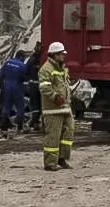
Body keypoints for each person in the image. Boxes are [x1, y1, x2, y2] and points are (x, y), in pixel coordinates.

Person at [38, 41, 74, 172]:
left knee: (68, 132)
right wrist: (55, 97)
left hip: (65, 107)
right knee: (53, 136)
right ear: (53, 55)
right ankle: (50, 163)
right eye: (61, 54)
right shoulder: (46, 69)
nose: (63, 56)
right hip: (52, 109)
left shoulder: (62, 68)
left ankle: (62, 159)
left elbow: (64, 86)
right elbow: (44, 88)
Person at [0, 50, 27, 138]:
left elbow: (0, 77)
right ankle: (19, 127)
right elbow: (24, 78)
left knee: (6, 107)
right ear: (21, 57)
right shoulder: (22, 66)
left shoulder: (7, 63)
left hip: (7, 87)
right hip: (17, 87)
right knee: (20, 107)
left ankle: (2, 127)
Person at [25, 41, 43, 132]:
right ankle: (36, 123)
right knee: (40, 105)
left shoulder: (32, 58)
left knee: (35, 105)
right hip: (42, 85)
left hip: (33, 85)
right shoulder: (45, 59)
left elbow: (26, 70)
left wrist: (29, 79)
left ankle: (33, 123)